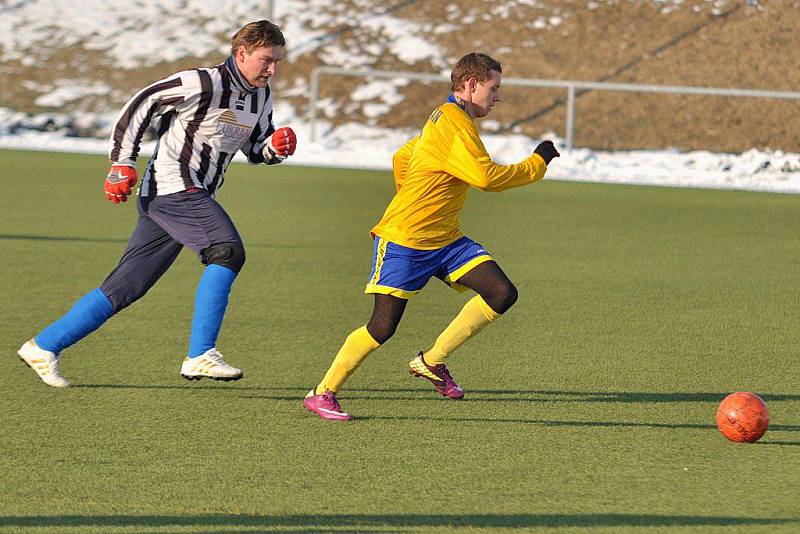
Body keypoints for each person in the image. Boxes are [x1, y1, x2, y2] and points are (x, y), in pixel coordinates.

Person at [17, 20, 297, 387]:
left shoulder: (261, 97)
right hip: (172, 187)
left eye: (277, 61)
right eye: (266, 60)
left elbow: (257, 149)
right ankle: (200, 354)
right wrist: (122, 162)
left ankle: (45, 345)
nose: (272, 69)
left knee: (126, 287)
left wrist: (274, 149)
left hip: (188, 197)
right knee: (226, 251)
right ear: (241, 53)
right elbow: (140, 105)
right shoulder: (202, 82)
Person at [303, 52, 560, 420]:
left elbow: (403, 157)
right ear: (471, 84)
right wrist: (537, 163)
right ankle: (322, 392)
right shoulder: (453, 123)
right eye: (494, 87)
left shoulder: (448, 117)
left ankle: (432, 361)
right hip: (405, 240)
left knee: (501, 292)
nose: (497, 96)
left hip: (444, 239)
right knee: (382, 327)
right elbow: (486, 178)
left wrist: (419, 194)